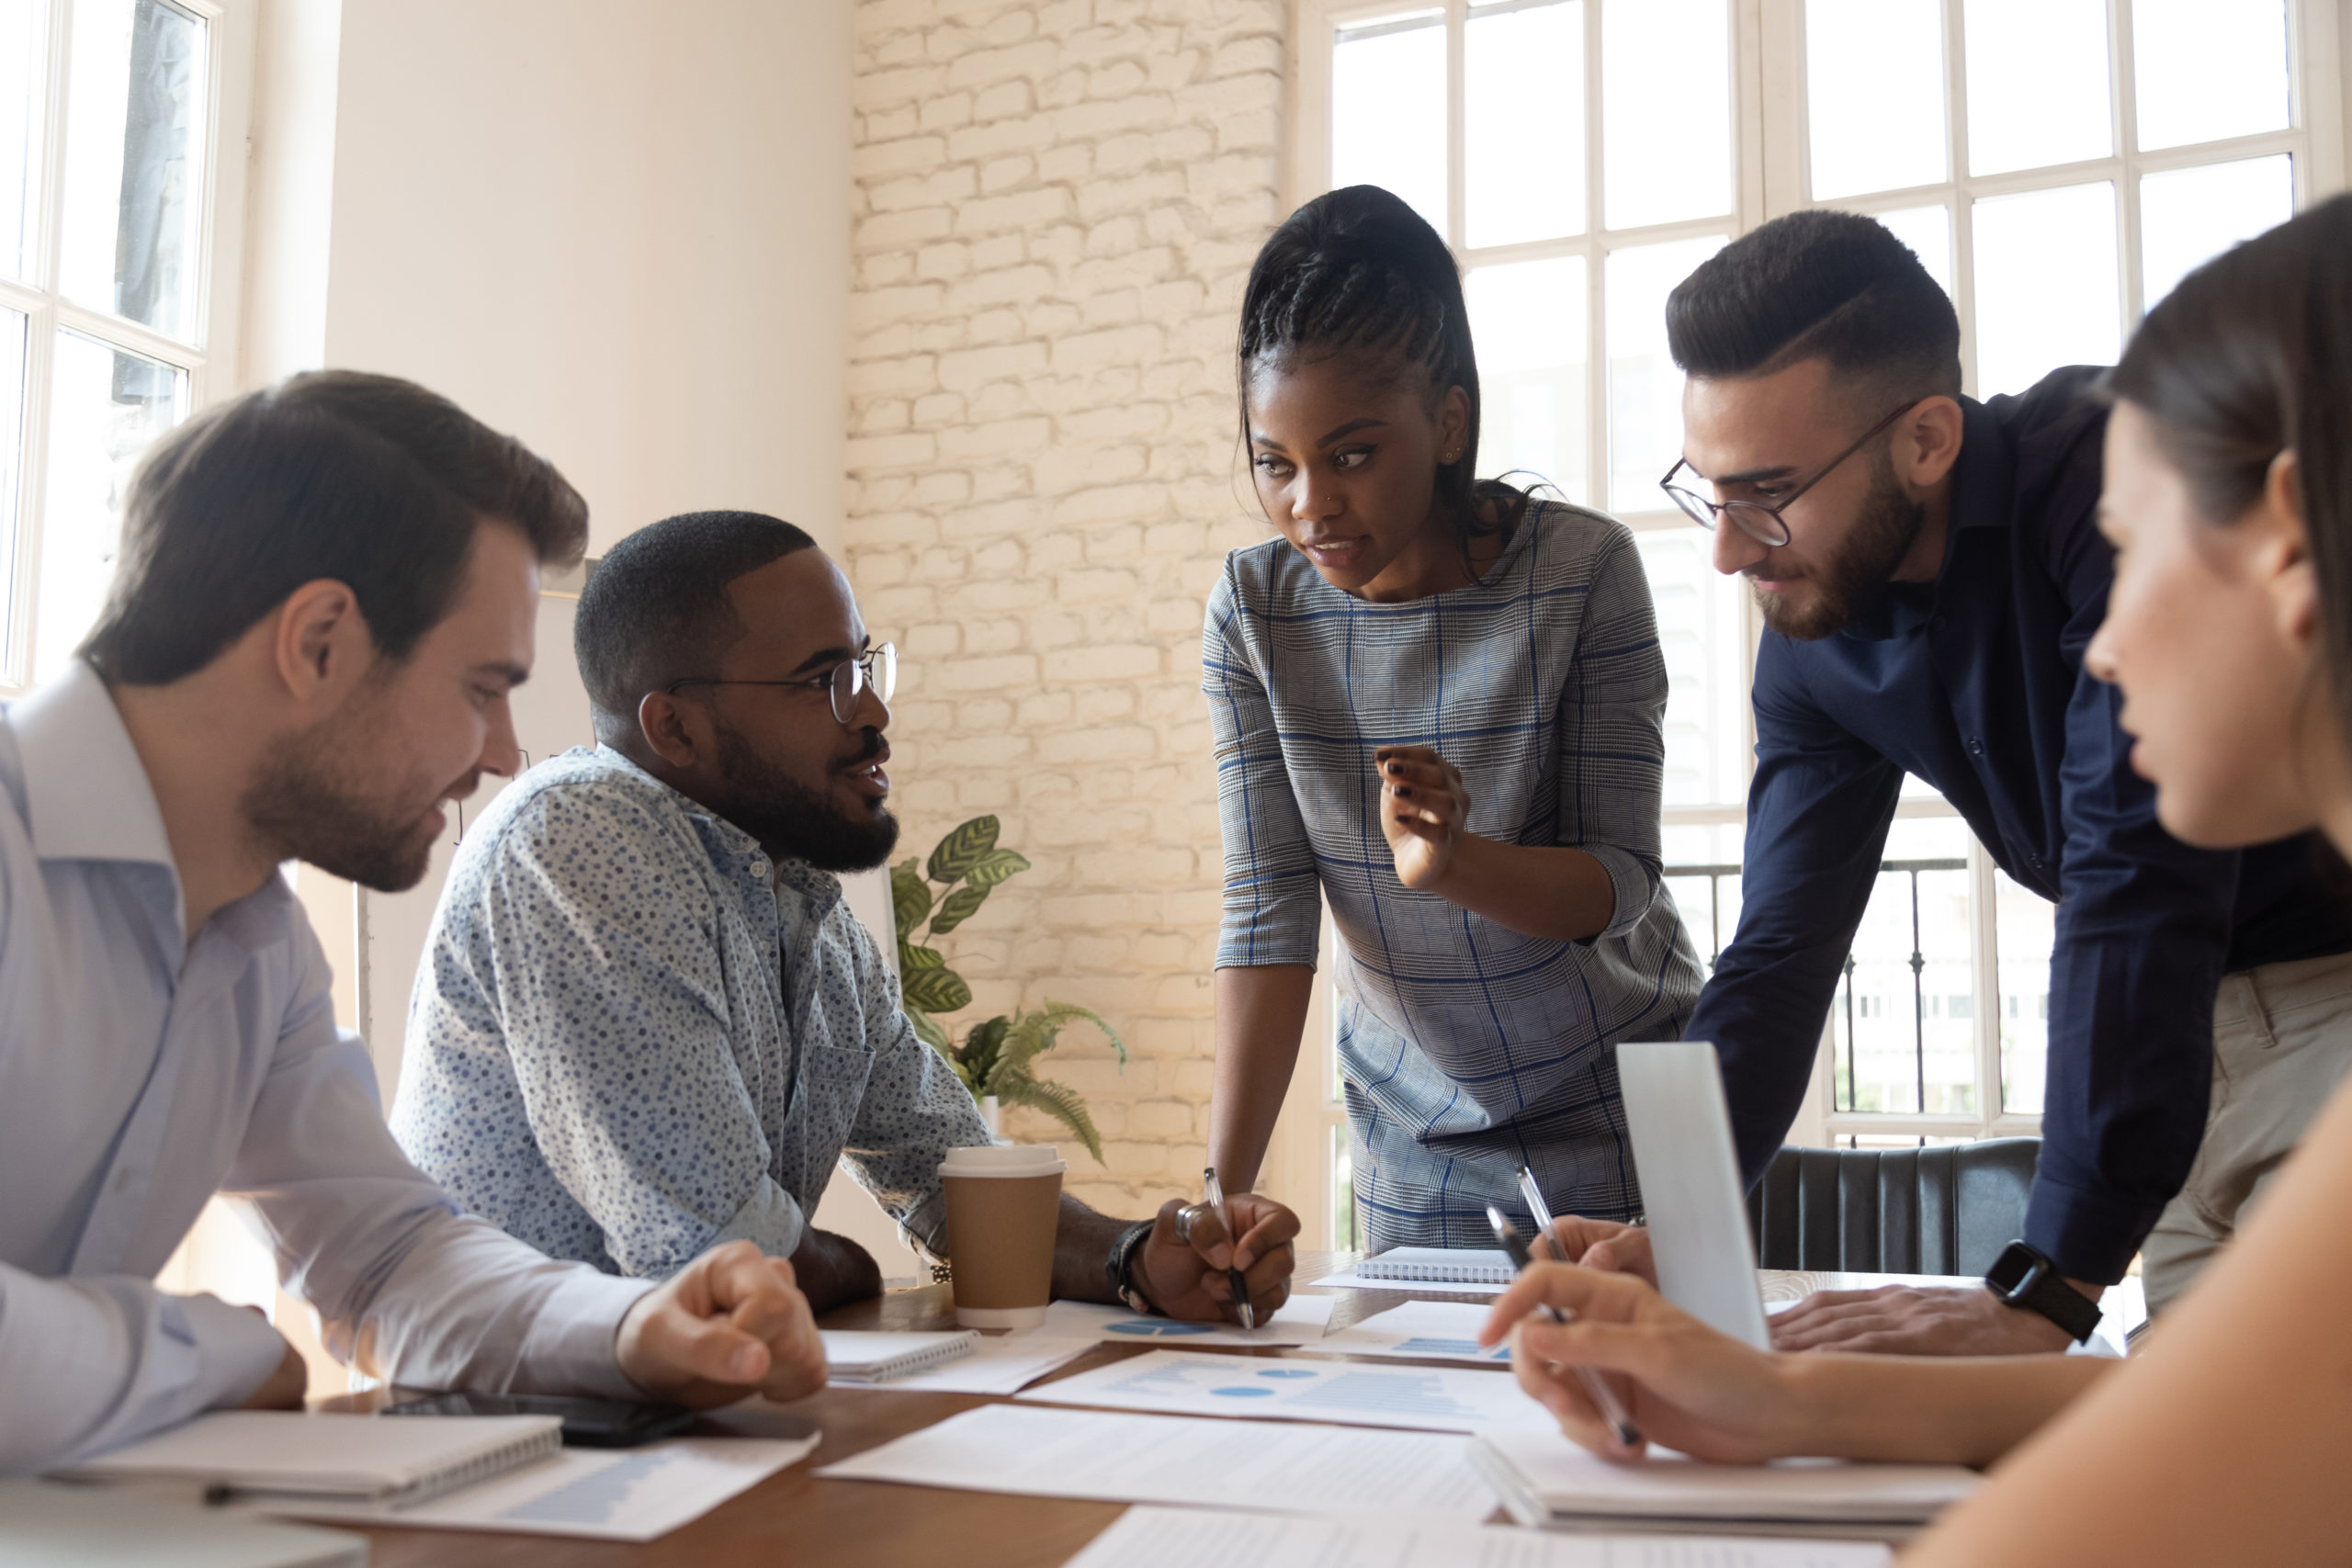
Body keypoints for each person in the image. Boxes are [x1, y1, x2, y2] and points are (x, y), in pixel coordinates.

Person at [1478, 193, 2352, 1565]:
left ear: (1927, 438)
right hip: (2172, 1053)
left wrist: (2049, 1278)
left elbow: (2134, 871)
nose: (1724, 546)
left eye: (1767, 492)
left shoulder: (2101, 476)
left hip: (2307, 1003)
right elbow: (1779, 948)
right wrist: (1687, 1232)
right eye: (1710, 491)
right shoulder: (1812, 631)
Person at [0, 374, 831, 1475]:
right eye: (482, 687)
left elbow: (384, 1257)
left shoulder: (256, 939)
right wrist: (212, 1350)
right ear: (320, 642)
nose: (500, 754)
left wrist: (634, 1331)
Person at [391, 511, 1298, 1321]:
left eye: (866, 665)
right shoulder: (581, 839)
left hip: (684, 1422)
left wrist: (1134, 1255)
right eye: (822, 679)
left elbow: (954, 1178)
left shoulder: (803, 909)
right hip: (513, 1439)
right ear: (674, 728)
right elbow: (719, 1258)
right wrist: (850, 1270)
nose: (871, 712)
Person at [1200, 185, 1704, 1249]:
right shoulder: (1253, 610)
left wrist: (1454, 864)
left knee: (1636, 1415)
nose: (1310, 507)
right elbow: (1267, 914)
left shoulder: (1580, 572)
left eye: (1349, 455)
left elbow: (1619, 883)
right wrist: (1217, 1200)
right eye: (1273, 464)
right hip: (1413, 1136)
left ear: (1447, 422)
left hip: (1631, 1111)